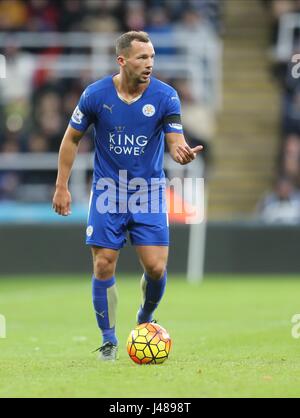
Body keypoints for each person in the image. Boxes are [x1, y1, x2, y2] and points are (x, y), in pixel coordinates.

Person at [52, 31, 203, 361]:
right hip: (108, 192)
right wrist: (62, 185)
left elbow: (175, 138)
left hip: (148, 193)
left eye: (152, 58)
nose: (150, 64)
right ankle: (108, 340)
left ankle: (144, 318)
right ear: (122, 61)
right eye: (142, 58)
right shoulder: (95, 95)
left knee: (156, 269)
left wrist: (180, 152)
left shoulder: (165, 96)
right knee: (104, 264)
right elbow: (71, 139)